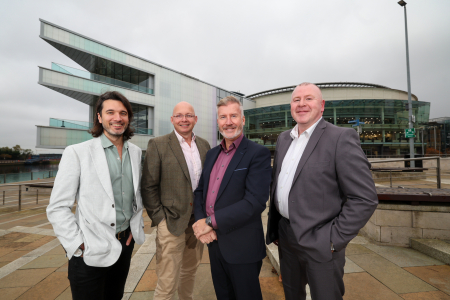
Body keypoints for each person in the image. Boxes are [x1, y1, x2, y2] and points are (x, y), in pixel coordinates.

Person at [266, 82, 378, 300]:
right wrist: (277, 229)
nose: (302, 104)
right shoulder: (283, 139)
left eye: (309, 98)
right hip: (287, 238)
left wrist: (333, 239)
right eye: (296, 99)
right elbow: (280, 184)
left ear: (322, 105)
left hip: (322, 240)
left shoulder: (340, 138)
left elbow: (364, 198)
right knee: (292, 294)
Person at [47, 91, 145, 300]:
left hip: (124, 246)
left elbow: (135, 195)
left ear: (128, 117)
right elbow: (57, 207)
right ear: (99, 118)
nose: (117, 118)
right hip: (88, 251)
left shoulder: (136, 152)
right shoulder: (77, 152)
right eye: (110, 112)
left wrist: (133, 227)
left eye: (123, 113)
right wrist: (76, 245)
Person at [192, 96, 272, 300]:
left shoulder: (257, 153)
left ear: (243, 120)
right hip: (215, 243)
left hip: (242, 245)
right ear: (218, 122)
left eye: (233, 116)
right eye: (223, 117)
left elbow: (254, 202)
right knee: (223, 295)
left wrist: (210, 222)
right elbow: (200, 191)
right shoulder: (211, 154)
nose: (228, 122)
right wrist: (201, 221)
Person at [141, 102, 210, 300]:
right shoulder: (158, 144)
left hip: (198, 222)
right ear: (172, 119)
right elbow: (149, 185)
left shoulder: (204, 145)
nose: (184, 119)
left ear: (195, 119)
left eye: (189, 115)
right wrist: (160, 219)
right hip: (170, 222)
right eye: (179, 116)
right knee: (167, 279)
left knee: (190, 271)